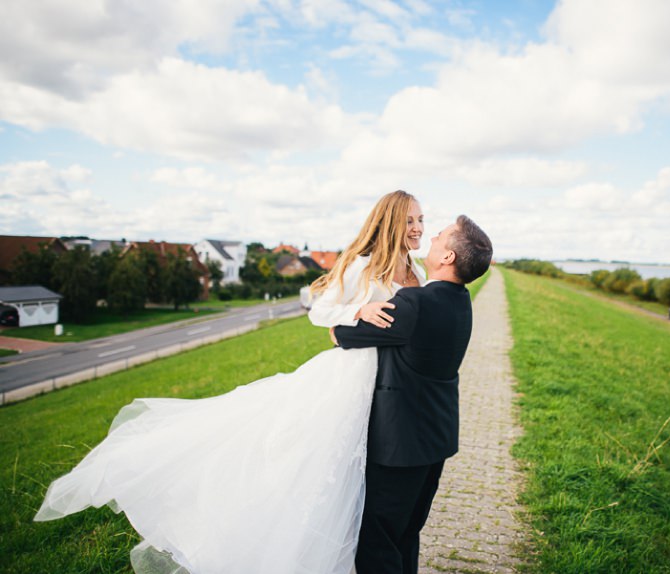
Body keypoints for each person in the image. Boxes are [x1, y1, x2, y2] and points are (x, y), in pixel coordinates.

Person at [34, 190, 427, 574]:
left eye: (421, 219)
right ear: (391, 221)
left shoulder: (419, 271)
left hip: (398, 380)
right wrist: (361, 308)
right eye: (410, 220)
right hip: (354, 378)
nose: (418, 227)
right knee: (324, 466)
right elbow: (319, 311)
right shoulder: (363, 265)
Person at [332, 215, 493, 574]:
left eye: (442, 235)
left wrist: (357, 307)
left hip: (399, 447)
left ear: (448, 257)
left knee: (378, 543)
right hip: (435, 440)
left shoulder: (413, 303)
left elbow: (340, 334)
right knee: (406, 534)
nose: (432, 235)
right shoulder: (460, 301)